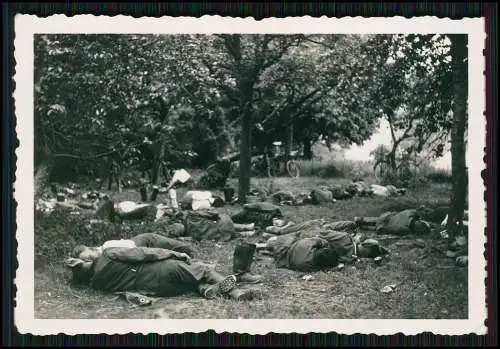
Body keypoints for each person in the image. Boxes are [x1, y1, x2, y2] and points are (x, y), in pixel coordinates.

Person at [65, 243, 256, 300]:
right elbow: (145, 253)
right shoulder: (108, 254)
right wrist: (176, 253)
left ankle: (204, 289)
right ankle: (235, 292)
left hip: (161, 290)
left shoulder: (98, 284)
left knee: (190, 279)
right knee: (202, 269)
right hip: (163, 272)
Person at [256, 228, 389, 272]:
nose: (365, 256)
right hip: (306, 242)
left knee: (278, 251)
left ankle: (269, 244)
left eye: (368, 256)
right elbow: (321, 233)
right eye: (368, 254)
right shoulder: (344, 239)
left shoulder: (352, 257)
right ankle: (269, 241)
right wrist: (314, 241)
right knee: (276, 244)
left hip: (308, 251)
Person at [355, 208, 431, 236]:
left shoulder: (410, 213)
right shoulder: (404, 229)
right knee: (374, 227)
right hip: (382, 226)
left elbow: (417, 212)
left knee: (376, 220)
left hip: (386, 216)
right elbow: (390, 230)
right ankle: (359, 226)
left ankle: (359, 220)